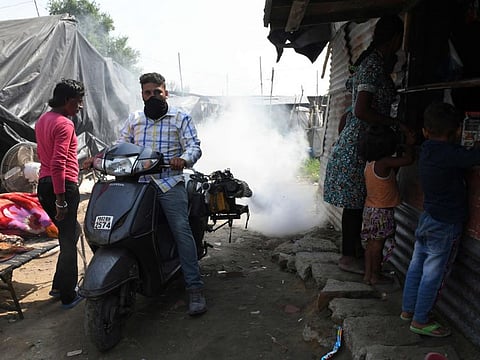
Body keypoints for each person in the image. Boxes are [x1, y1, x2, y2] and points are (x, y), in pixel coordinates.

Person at [116, 72, 207, 316]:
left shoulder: (180, 117)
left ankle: (195, 288)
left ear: (166, 92)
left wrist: (183, 159)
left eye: (157, 91)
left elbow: (194, 147)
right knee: (123, 228)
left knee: (181, 230)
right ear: (142, 95)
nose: (153, 96)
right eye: (148, 92)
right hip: (137, 185)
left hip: (168, 183)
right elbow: (120, 145)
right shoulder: (134, 119)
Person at [323, 15, 406, 274]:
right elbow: (359, 110)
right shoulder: (371, 66)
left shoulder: (372, 64)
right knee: (356, 203)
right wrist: (395, 123)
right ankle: (348, 257)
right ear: (394, 39)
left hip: (363, 143)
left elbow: (349, 112)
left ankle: (355, 253)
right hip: (360, 145)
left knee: (358, 202)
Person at [401, 102, 480, 337]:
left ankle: (408, 310)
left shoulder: (426, 149)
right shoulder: (452, 154)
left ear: (425, 131)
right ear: (457, 131)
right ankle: (421, 319)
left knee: (416, 266)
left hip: (427, 218)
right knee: (434, 274)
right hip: (445, 224)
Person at [35, 79, 85, 309]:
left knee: (72, 231)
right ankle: (68, 295)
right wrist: (61, 200)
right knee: (67, 240)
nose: (80, 106)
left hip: (44, 185)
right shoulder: (64, 124)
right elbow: (58, 163)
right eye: (78, 101)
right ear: (67, 100)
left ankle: (58, 285)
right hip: (61, 185)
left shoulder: (43, 120)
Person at [360, 125, 415, 285]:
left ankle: (368, 275)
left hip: (370, 209)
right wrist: (410, 144)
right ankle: (376, 276)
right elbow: (409, 160)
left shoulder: (370, 163)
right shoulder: (384, 163)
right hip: (382, 211)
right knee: (378, 245)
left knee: (371, 244)